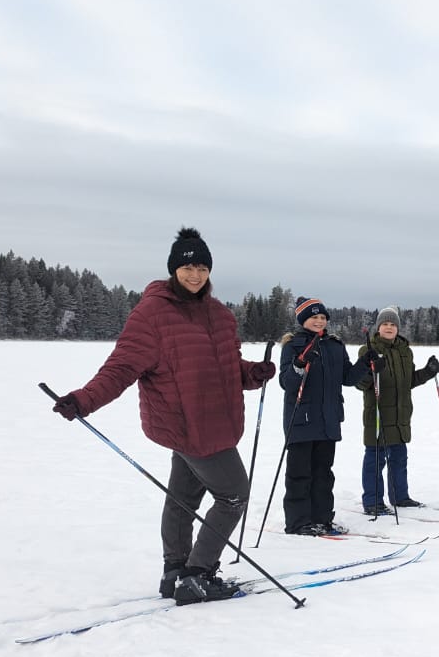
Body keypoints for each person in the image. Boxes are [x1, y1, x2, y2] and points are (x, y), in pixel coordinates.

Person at [50, 227, 277, 605]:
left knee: (182, 500)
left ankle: (175, 571)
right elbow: (121, 367)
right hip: (189, 424)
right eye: (187, 267)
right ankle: (197, 574)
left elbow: (224, 365)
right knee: (234, 494)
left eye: (202, 267)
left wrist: (251, 373)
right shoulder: (153, 314)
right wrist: (83, 400)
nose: (195, 275)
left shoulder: (220, 316)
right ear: (173, 270)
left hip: (217, 423)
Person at [279, 296, 381, 536]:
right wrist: (301, 362)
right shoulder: (292, 345)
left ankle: (322, 518)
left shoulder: (335, 345)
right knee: (300, 475)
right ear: (303, 319)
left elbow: (347, 378)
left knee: (323, 474)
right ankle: (298, 522)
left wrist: (366, 363)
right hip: (301, 420)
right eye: (314, 317)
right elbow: (287, 382)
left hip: (328, 421)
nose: (319, 321)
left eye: (322, 317)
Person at [356, 306, 439, 516]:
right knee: (375, 461)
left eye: (393, 324)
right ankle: (373, 502)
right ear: (378, 327)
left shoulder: (405, 350)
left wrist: (428, 372)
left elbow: (408, 381)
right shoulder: (368, 349)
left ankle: (400, 497)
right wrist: (372, 370)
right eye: (385, 324)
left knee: (399, 459)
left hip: (401, 415)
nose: (389, 327)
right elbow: (359, 383)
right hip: (378, 416)